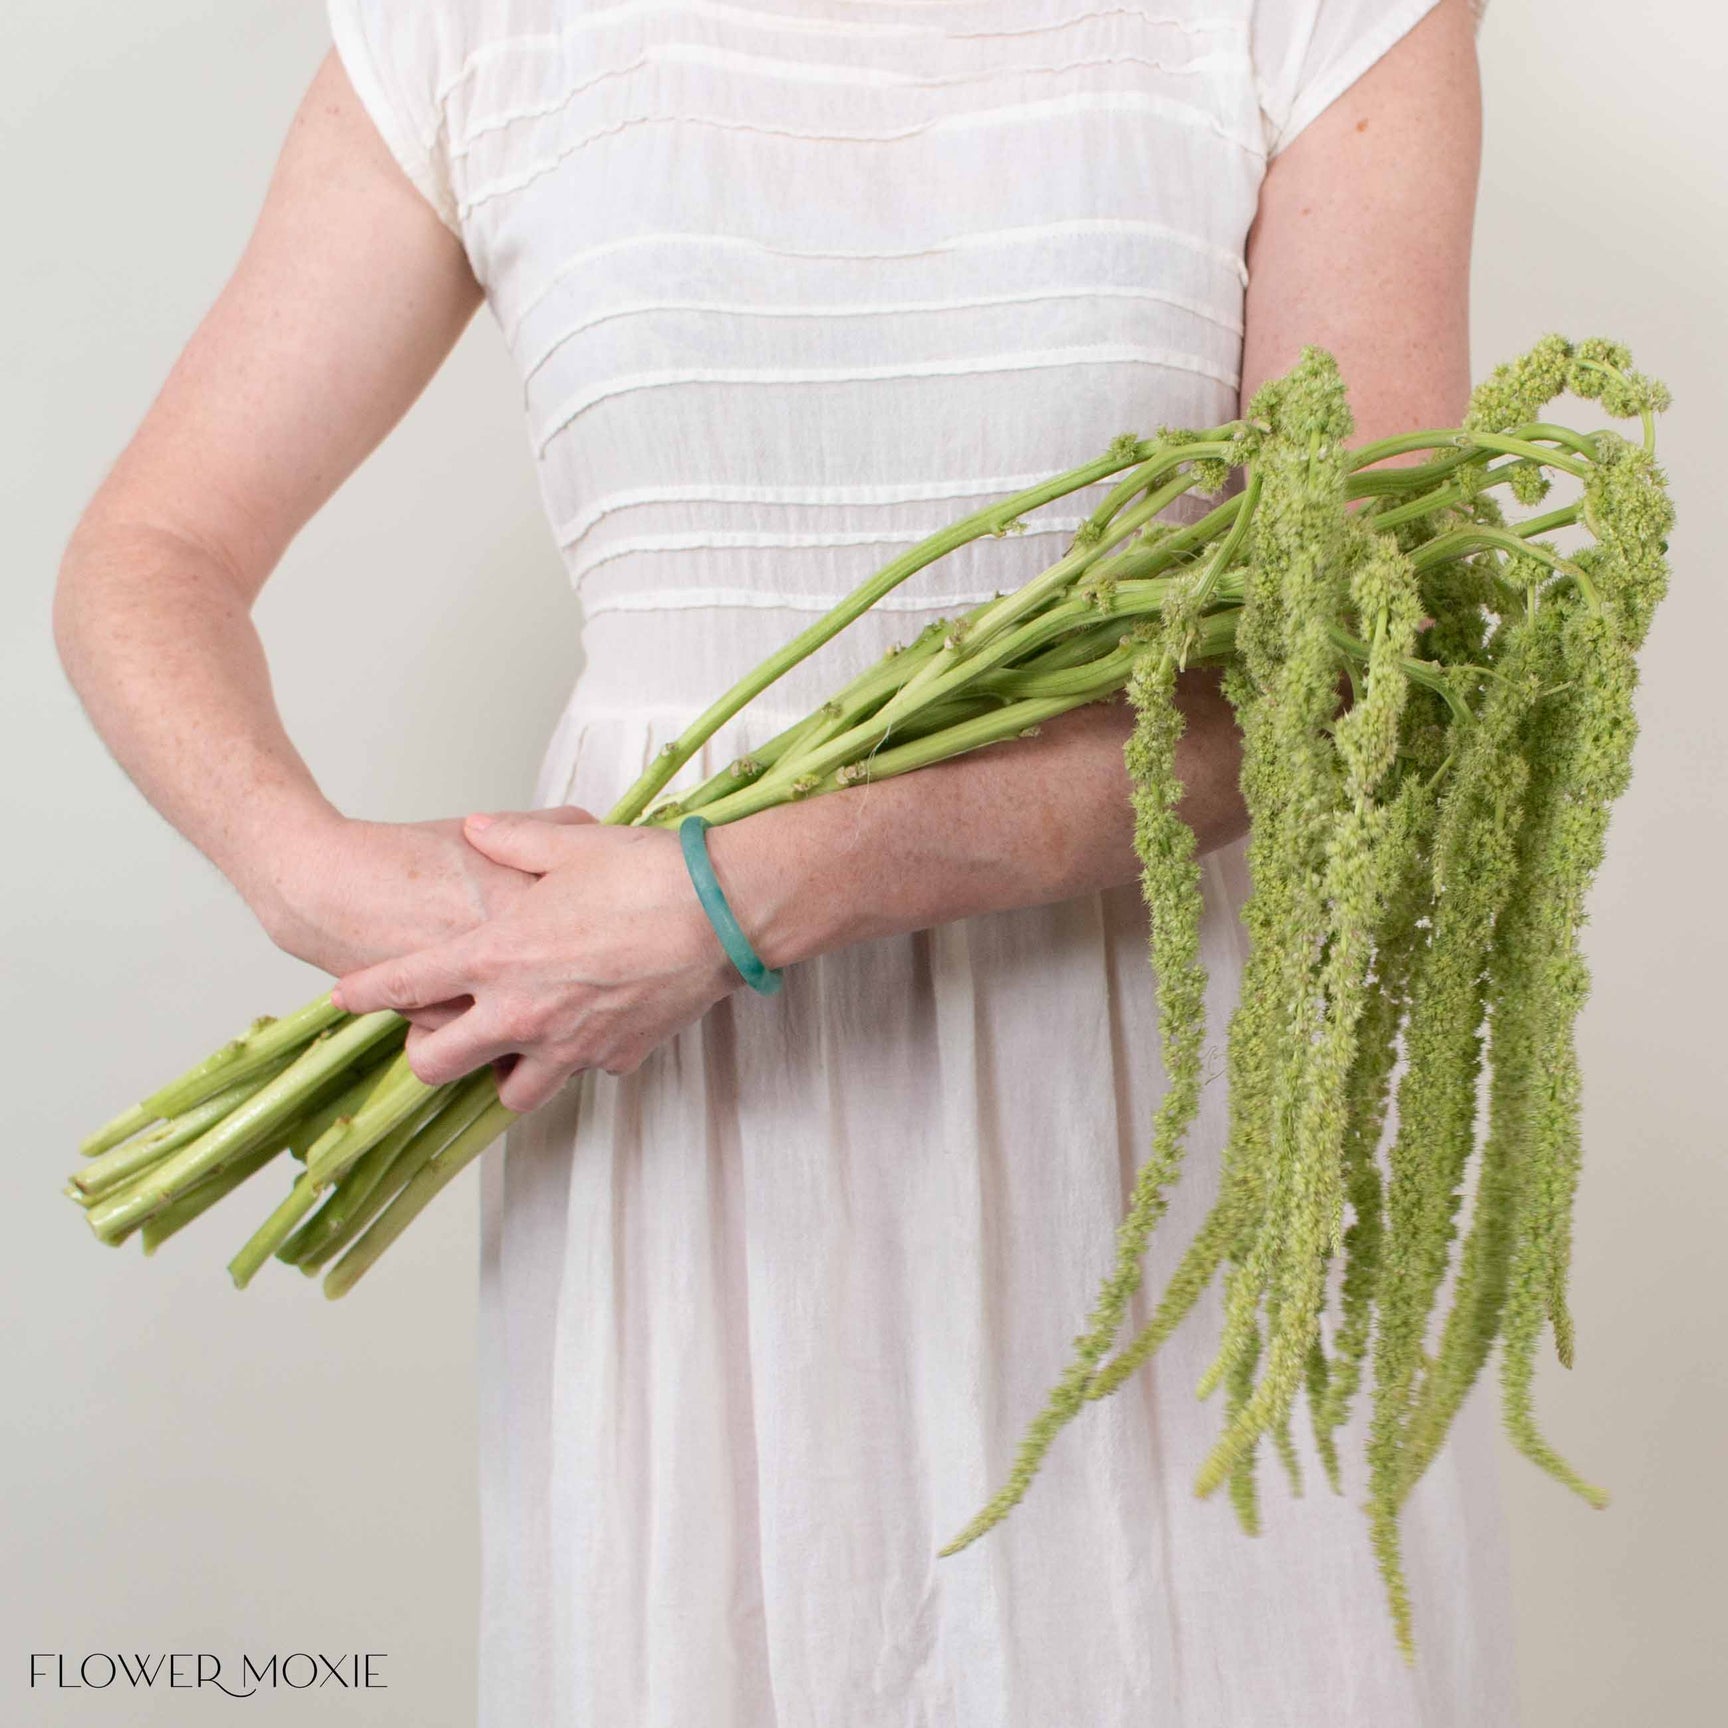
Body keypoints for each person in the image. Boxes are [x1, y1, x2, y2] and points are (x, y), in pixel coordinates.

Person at [55, 0, 1514, 1720]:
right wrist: (309, 876)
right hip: (671, 1094)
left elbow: (1332, 658)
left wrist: (730, 893)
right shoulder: (469, 26)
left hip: (1153, 1097)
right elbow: (151, 547)